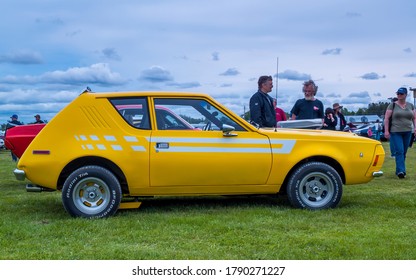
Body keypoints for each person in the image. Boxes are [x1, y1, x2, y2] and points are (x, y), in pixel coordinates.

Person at [384, 87, 416, 179]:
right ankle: (401, 171)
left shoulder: (410, 105)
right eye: (398, 93)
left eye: (401, 94)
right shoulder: (392, 105)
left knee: (404, 152)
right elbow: (386, 119)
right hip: (395, 132)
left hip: (408, 131)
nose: (399, 95)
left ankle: (398, 169)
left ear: (406, 95)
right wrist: (386, 131)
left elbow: (414, 118)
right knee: (400, 151)